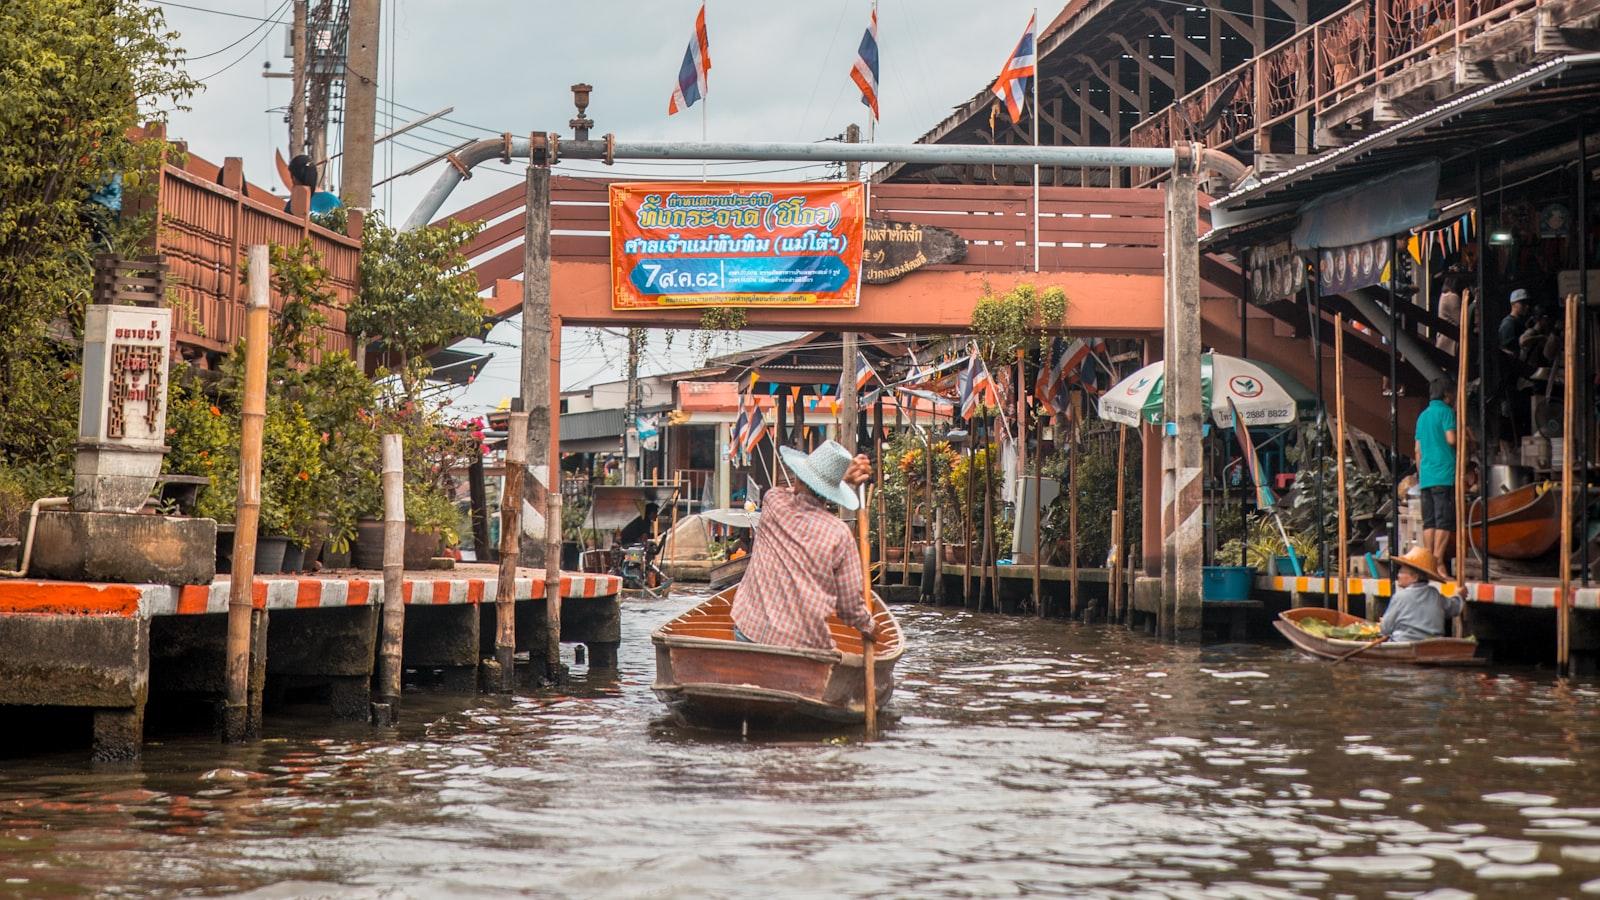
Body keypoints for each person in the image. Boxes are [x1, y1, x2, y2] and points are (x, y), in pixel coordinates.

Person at [731, 440, 876, 649]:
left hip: (748, 630)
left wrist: (838, 477)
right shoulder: (840, 534)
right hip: (803, 643)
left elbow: (796, 490)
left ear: (798, 478)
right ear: (831, 495)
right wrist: (869, 626)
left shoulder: (774, 501)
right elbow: (849, 607)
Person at [1414, 378, 1457, 568]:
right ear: (1447, 395)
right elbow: (1451, 439)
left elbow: (1417, 449)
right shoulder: (1447, 412)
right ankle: (1438, 563)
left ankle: (1428, 561)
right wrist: (1464, 435)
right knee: (1444, 522)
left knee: (1429, 522)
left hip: (1426, 477)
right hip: (1444, 474)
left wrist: (1421, 472)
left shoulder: (1422, 416)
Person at [1380, 546, 1462, 642]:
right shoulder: (1434, 593)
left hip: (1404, 641)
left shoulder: (1400, 597)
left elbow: (1385, 629)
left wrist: (1383, 623)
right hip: (1433, 644)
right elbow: (1454, 608)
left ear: (1415, 577)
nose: (1398, 575)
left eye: (1402, 572)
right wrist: (1459, 595)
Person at [1435, 275, 1463, 353]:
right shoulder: (1452, 296)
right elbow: (1459, 320)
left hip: (1443, 337)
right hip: (1450, 340)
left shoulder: (1443, 295)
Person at [1499, 288, 1531, 353]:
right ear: (1513, 304)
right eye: (1523, 303)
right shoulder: (1508, 323)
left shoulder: (1519, 321)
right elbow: (1506, 349)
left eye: (1527, 303)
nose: (1527, 306)